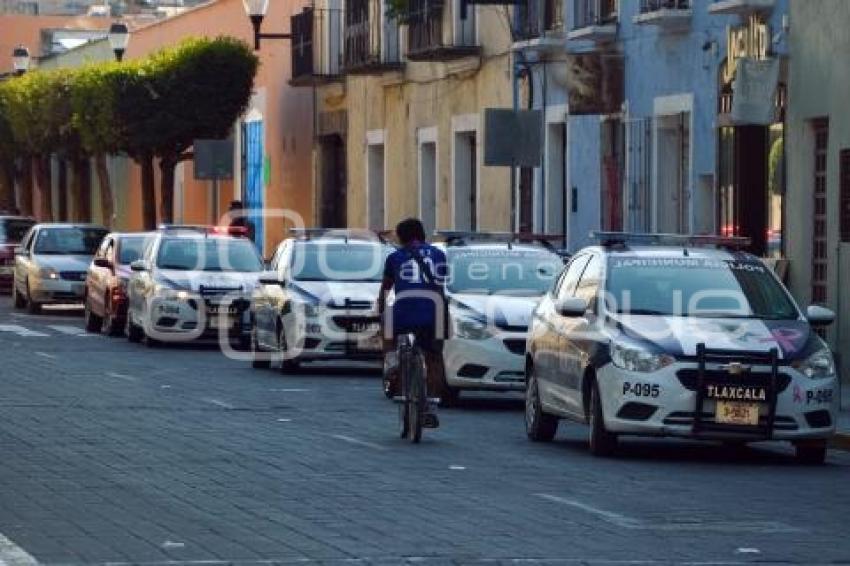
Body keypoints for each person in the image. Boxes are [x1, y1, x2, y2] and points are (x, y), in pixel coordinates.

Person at [378, 218, 449, 416]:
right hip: (433, 312)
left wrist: (381, 310)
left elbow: (386, 289)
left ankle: (391, 361)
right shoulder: (439, 254)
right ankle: (432, 405)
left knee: (388, 325)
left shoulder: (394, 258)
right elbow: (441, 283)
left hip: (404, 311)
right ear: (422, 234)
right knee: (434, 357)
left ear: (401, 238)